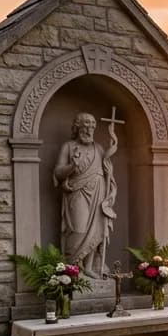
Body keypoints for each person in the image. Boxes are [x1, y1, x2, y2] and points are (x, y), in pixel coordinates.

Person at [54, 112, 117, 278]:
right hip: (77, 192)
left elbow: (106, 171)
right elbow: (59, 172)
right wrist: (72, 166)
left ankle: (89, 267)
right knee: (79, 229)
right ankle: (72, 270)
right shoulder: (68, 146)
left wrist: (109, 172)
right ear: (77, 127)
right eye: (85, 125)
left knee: (96, 230)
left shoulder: (99, 148)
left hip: (98, 191)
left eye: (91, 126)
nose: (88, 129)